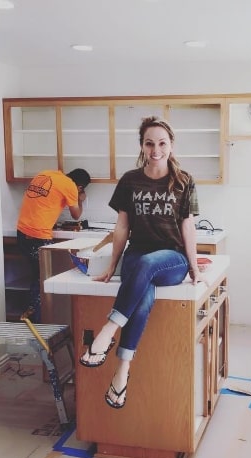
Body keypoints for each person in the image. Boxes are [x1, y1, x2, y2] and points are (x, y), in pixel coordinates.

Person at [78, 116, 204, 409]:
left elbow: (188, 226)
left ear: (171, 145)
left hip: (172, 259)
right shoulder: (130, 180)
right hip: (137, 254)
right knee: (143, 297)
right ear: (142, 146)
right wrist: (113, 266)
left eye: (162, 143)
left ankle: (108, 330)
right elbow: (122, 227)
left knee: (147, 265)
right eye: (150, 143)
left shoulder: (184, 181)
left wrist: (195, 266)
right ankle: (122, 373)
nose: (155, 149)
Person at [16, 168, 90, 322]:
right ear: (80, 187)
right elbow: (76, 215)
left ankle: (34, 319)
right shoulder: (70, 185)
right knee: (44, 279)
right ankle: (39, 325)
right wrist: (80, 199)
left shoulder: (45, 174)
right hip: (37, 236)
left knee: (38, 277)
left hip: (22, 233)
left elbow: (43, 204)